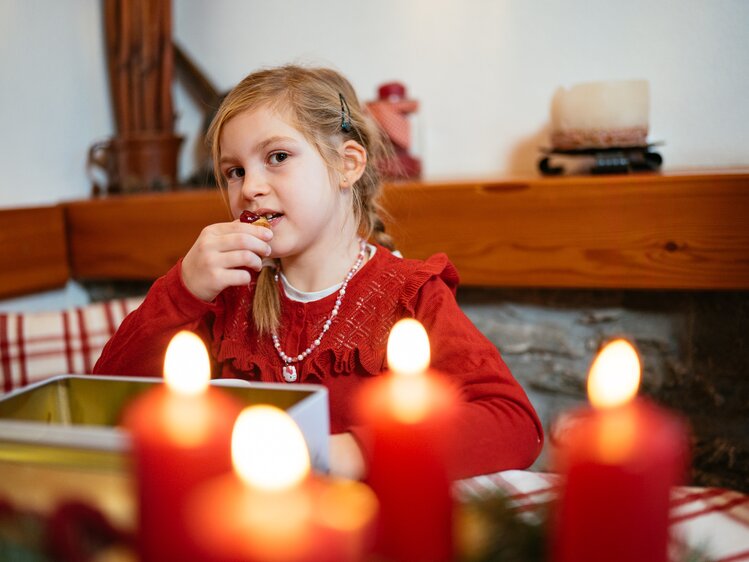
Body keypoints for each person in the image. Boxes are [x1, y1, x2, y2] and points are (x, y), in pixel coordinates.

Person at [94, 64, 543, 480]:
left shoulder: (410, 296)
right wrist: (182, 290)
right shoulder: (228, 295)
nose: (250, 188)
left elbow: (515, 424)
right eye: (234, 171)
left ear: (347, 165)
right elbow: (102, 404)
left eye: (277, 157)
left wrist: (354, 452)